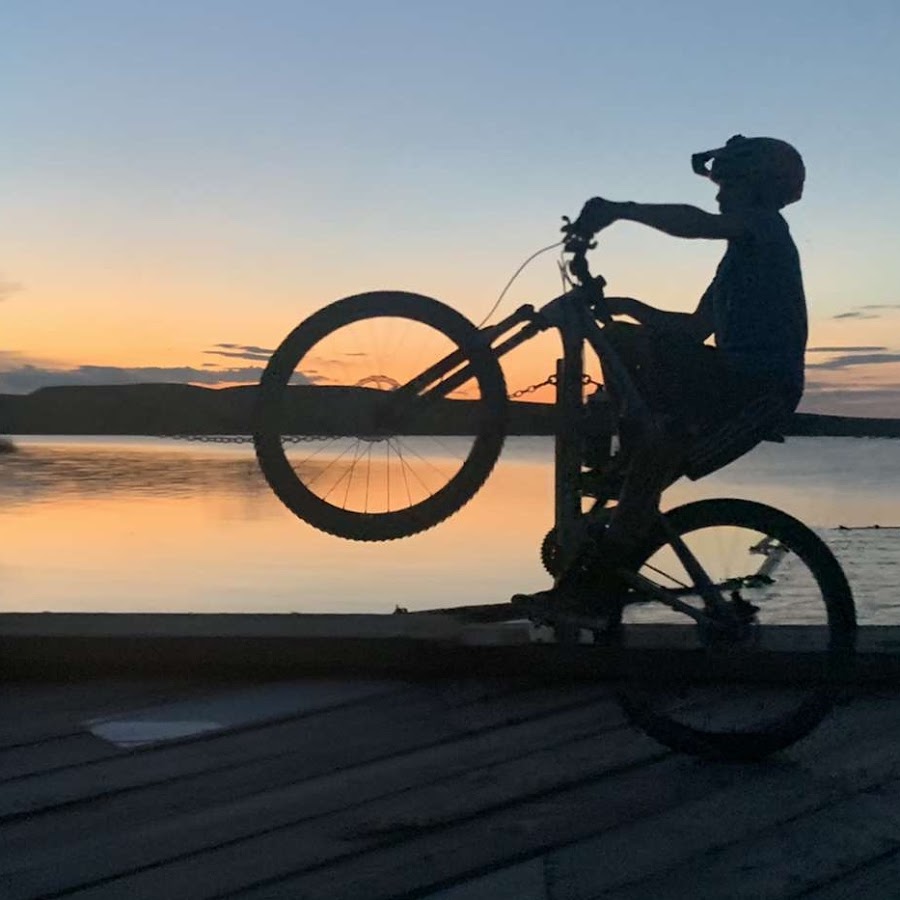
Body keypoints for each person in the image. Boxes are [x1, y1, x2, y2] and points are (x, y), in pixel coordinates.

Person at [513, 134, 808, 621]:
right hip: (727, 381)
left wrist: (623, 210)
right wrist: (628, 307)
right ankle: (597, 567)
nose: (719, 196)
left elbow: (696, 224)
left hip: (758, 392)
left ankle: (592, 585)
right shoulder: (739, 260)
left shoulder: (766, 228)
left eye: (727, 186)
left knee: (648, 467)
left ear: (756, 187)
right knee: (625, 344)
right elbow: (692, 330)